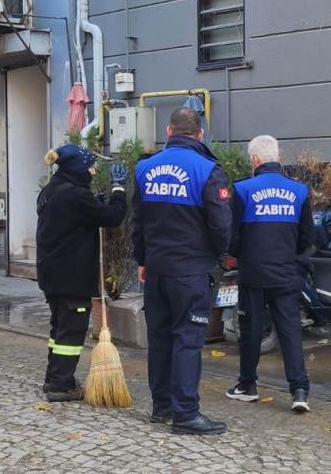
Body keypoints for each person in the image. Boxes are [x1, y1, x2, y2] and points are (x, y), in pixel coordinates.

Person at [132, 108, 232, 435]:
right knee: (187, 340)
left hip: (157, 270)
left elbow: (139, 222)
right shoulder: (207, 170)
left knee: (160, 339)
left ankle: (161, 407)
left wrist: (143, 261)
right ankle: (186, 414)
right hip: (191, 271)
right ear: (199, 134)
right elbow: (220, 225)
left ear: (168, 130)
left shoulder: (144, 168)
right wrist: (218, 257)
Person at [226, 135, 314, 412]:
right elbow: (307, 237)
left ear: (254, 160)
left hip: (252, 273)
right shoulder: (299, 191)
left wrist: (241, 255)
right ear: (279, 157)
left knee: (250, 331)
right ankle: (299, 390)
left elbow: (233, 237)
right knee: (290, 331)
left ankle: (247, 385)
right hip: (286, 272)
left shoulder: (242, 190)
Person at [36, 144, 128, 402]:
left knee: (59, 328)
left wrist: (92, 204)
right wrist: (118, 188)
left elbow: (72, 219)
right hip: (71, 276)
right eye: (90, 166)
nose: (94, 169)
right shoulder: (75, 195)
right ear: (78, 168)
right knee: (71, 332)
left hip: (52, 273)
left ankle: (53, 378)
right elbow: (113, 217)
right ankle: (61, 386)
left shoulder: (52, 189)